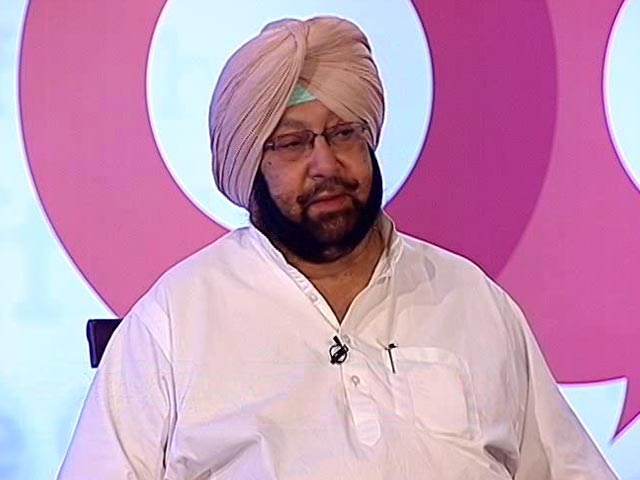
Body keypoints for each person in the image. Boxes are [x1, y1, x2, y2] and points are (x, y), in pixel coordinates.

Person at [58, 16, 617, 479]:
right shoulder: (176, 318)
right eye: (292, 143)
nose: (325, 164)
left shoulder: (469, 297)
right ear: (250, 164)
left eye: (344, 133)